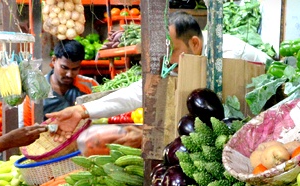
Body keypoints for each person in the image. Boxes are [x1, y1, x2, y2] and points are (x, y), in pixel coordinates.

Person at [47, 12, 203, 130]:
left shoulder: (223, 58)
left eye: (171, 51)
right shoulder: (174, 66)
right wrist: (83, 110)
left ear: (195, 44)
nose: (166, 61)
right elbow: (135, 93)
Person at [43, 39, 97, 116]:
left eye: (75, 69)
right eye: (64, 67)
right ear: (54, 60)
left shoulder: (90, 85)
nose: (69, 74)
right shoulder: (36, 90)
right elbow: (26, 125)